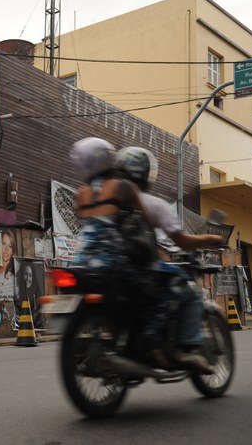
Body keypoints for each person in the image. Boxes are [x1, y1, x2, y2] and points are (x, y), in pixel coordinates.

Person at [70, 137, 180, 369]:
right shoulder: (123, 188)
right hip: (114, 263)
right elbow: (146, 222)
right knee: (167, 290)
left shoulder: (80, 194)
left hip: (83, 263)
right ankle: (151, 343)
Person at [113, 146, 224, 374]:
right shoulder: (154, 204)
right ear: (146, 174)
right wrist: (210, 237)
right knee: (186, 290)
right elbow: (181, 240)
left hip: (110, 267)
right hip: (140, 268)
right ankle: (181, 348)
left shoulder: (105, 200)